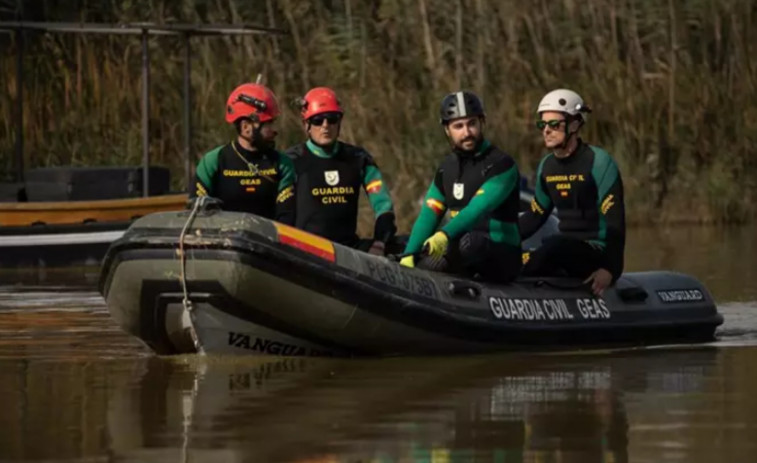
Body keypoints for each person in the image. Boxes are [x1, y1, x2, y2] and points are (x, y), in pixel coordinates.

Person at [399, 91, 522, 283]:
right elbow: (430, 212)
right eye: (458, 126)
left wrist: (443, 235)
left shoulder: (501, 164)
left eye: (472, 124)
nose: (466, 132)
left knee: (470, 243)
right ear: (447, 130)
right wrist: (410, 254)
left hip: (500, 253)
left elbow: (477, 209)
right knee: (420, 258)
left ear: (482, 122)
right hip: (459, 247)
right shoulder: (446, 168)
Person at [519, 89, 626, 296]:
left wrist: (610, 269)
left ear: (575, 125)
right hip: (562, 250)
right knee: (535, 248)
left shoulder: (599, 162)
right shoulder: (547, 166)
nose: (546, 131)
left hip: (594, 252)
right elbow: (534, 217)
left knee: (555, 245)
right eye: (542, 125)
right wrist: (500, 237)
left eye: (554, 125)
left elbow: (615, 223)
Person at [285, 87, 396, 255]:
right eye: (317, 120)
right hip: (304, 253)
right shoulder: (291, 160)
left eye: (332, 119)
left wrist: (380, 242)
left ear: (340, 122)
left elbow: (383, 204)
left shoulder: (359, 159)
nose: (325, 126)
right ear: (306, 124)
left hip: (347, 250)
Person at [191, 82, 296, 224]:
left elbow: (287, 219)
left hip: (267, 244)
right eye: (269, 124)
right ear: (246, 127)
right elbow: (196, 216)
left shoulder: (283, 165)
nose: (274, 130)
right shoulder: (213, 162)